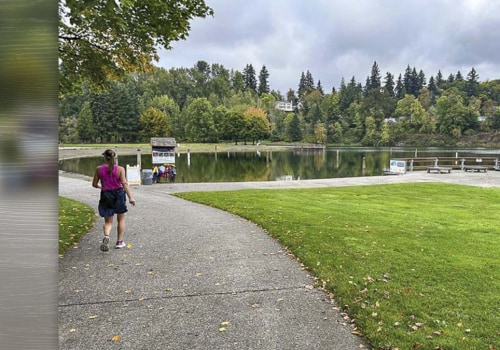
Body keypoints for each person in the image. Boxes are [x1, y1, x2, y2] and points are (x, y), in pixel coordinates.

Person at [92, 149, 136, 251]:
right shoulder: (120, 169)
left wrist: (101, 187)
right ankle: (119, 242)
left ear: (104, 157)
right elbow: (124, 183)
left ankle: (107, 236)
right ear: (114, 158)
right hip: (119, 194)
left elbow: (94, 184)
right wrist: (131, 197)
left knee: (108, 221)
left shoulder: (99, 169)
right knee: (120, 219)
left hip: (106, 194)